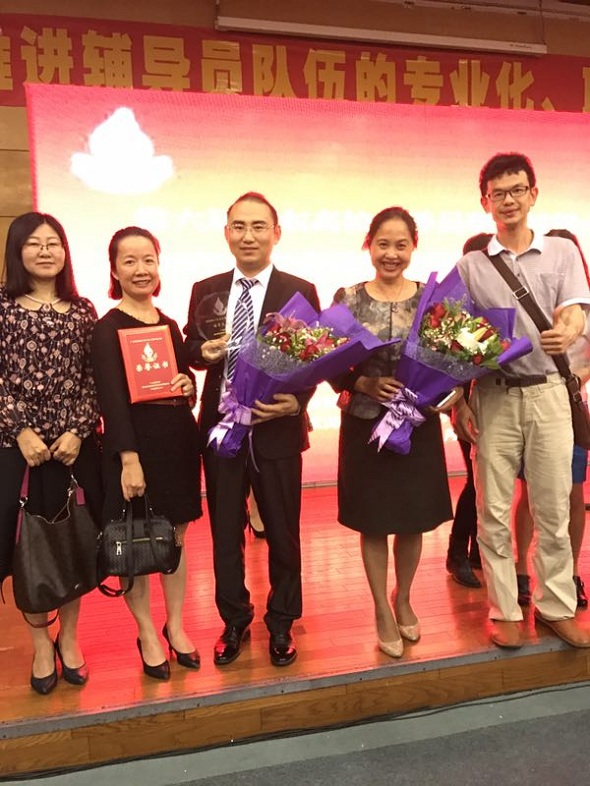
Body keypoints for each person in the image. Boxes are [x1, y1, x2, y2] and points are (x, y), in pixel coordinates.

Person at [453, 152, 590, 650]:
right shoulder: (470, 266)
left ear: (533, 194)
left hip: (551, 392)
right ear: (485, 202)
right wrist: (458, 401)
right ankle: (504, 609)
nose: (508, 200)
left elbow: (576, 310)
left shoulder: (562, 251)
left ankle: (556, 607)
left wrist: (569, 328)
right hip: (494, 396)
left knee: (553, 505)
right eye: (498, 193)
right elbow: (454, 339)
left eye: (516, 190)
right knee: (491, 509)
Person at [184, 192, 319, 667]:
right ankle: (234, 619)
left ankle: (282, 620)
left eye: (258, 226)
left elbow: (315, 356)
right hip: (221, 430)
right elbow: (190, 347)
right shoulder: (206, 289)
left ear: (275, 233)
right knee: (225, 530)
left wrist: (298, 402)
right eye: (239, 226)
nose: (248, 235)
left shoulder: (299, 290)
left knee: (283, 530)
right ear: (227, 234)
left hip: (275, 427)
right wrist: (201, 353)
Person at [331, 207, 454, 659]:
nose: (391, 253)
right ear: (369, 245)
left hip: (415, 425)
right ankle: (382, 609)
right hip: (366, 425)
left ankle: (403, 596)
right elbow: (328, 364)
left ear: (413, 247)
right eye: (383, 244)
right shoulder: (347, 299)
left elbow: (450, 358)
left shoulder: (431, 299)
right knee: (374, 520)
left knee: (412, 518)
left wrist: (447, 391)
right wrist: (362, 383)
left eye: (401, 245)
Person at [91, 226, 202, 680]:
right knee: (134, 541)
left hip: (177, 444)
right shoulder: (106, 329)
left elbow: (183, 388)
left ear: (159, 266)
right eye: (130, 261)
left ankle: (175, 625)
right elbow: (112, 401)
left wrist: (188, 387)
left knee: (174, 538)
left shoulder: (168, 325)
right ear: (114, 270)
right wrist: (129, 459)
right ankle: (147, 633)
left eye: (148, 260)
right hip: (134, 451)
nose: (141, 269)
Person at [0, 212, 102, 695]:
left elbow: (94, 377)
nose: (45, 251)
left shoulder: (82, 310)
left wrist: (78, 431)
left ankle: (71, 637)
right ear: (16, 251)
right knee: (28, 548)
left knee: (72, 542)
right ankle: (41, 643)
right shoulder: (2, 306)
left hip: (71, 451)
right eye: (34, 243)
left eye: (54, 243)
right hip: (15, 450)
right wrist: (20, 430)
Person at [514, 229, 590, 609]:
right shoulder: (532, 300)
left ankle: (570, 573)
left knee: (574, 494)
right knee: (529, 493)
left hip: (571, 410)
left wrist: (576, 379)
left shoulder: (584, 309)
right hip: (532, 405)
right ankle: (520, 570)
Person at [446, 233, 493, 589]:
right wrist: (459, 405)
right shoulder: (457, 307)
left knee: (488, 482)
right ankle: (456, 554)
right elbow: (448, 363)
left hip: (496, 401)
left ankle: (477, 550)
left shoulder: (493, 300)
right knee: (476, 481)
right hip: (465, 404)